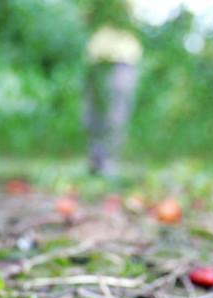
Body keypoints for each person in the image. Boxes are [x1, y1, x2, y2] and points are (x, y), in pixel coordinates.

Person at [83, 2, 141, 178]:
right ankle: (95, 161)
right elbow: (85, 18)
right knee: (92, 115)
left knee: (116, 114)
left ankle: (110, 162)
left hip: (123, 59)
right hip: (95, 60)